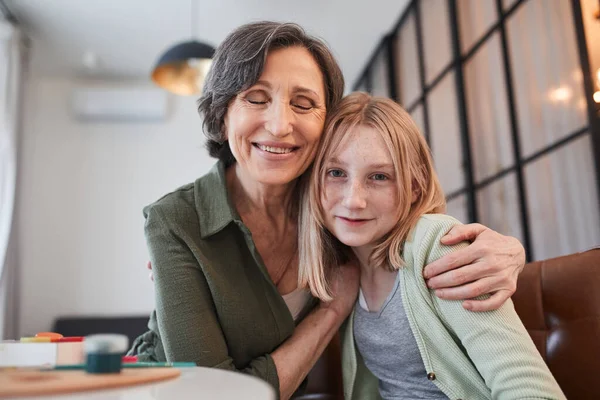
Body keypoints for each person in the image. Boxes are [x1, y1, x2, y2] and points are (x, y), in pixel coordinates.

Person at [130, 21, 527, 400]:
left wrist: (509, 250)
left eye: (303, 104)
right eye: (256, 97)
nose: (281, 124)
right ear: (223, 112)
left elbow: (410, 225)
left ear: (327, 124)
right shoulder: (177, 221)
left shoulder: (333, 205)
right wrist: (332, 310)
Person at [298, 92, 565, 399]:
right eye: (336, 173)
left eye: (379, 176)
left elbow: (529, 389)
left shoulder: (437, 246)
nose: (353, 200)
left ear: (415, 186)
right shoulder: (341, 267)